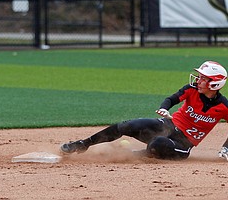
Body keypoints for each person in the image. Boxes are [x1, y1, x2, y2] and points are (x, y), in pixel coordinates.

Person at [60, 61, 228, 161]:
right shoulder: (191, 90)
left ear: (215, 84)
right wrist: (164, 108)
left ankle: (132, 155)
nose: (198, 80)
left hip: (182, 144)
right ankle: (84, 144)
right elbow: (171, 99)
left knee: (158, 144)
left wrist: (226, 147)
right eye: (199, 77)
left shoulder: (223, 106)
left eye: (203, 79)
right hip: (168, 125)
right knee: (128, 125)